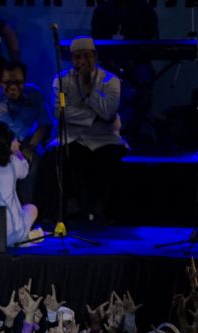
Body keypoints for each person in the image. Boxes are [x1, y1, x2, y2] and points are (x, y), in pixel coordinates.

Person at [39, 36, 127, 226]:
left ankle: (103, 212)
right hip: (72, 137)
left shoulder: (111, 81)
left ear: (95, 57)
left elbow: (109, 111)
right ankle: (57, 213)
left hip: (105, 138)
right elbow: (59, 112)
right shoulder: (62, 80)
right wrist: (94, 118)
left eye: (86, 56)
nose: (82, 62)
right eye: (77, 57)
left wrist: (89, 89)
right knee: (53, 158)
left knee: (111, 159)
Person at [0, 61, 51, 202]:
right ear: (0, 81)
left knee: (33, 164)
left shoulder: (34, 94)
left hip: (27, 142)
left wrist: (30, 148)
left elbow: (45, 124)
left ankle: (26, 207)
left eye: (18, 82)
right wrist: (6, 143)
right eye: (7, 82)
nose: (13, 87)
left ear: (25, 80)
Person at [90, 0, 159, 144]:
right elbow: (96, 40)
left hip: (138, 61)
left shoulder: (145, 10)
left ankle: (136, 129)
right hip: (110, 62)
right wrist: (112, 63)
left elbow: (153, 40)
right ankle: (107, 129)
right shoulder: (103, 10)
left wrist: (133, 62)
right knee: (98, 81)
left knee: (145, 78)